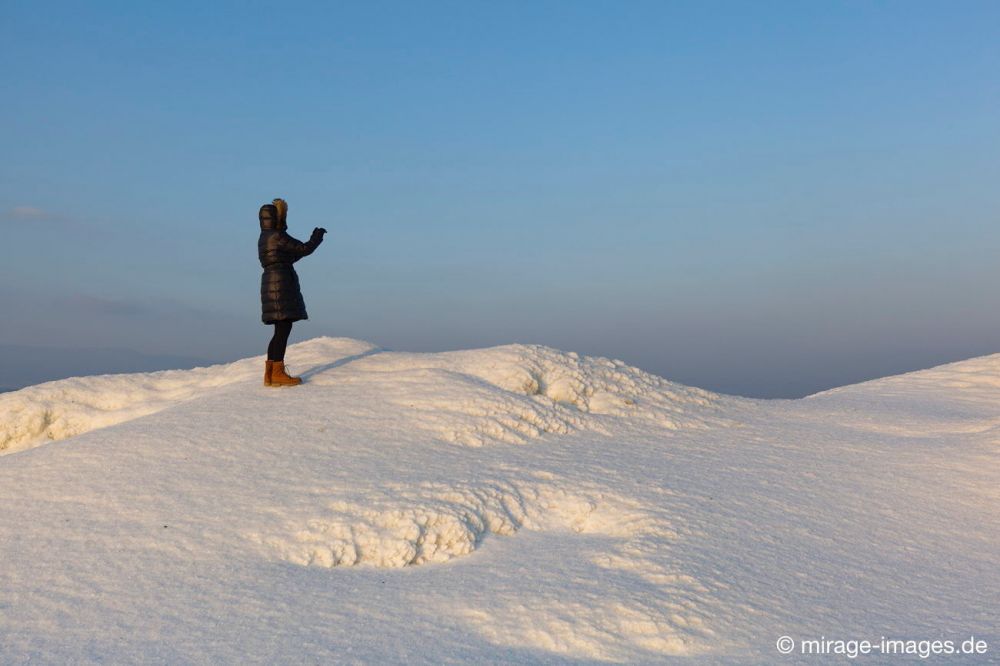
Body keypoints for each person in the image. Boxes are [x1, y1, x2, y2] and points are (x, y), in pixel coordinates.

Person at [258, 198, 326, 386]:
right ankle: (277, 373)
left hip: (271, 282)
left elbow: (288, 256)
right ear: (278, 218)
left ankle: (270, 374)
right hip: (280, 284)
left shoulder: (265, 237)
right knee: (283, 328)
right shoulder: (277, 236)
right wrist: (317, 237)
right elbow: (303, 249)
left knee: (279, 328)